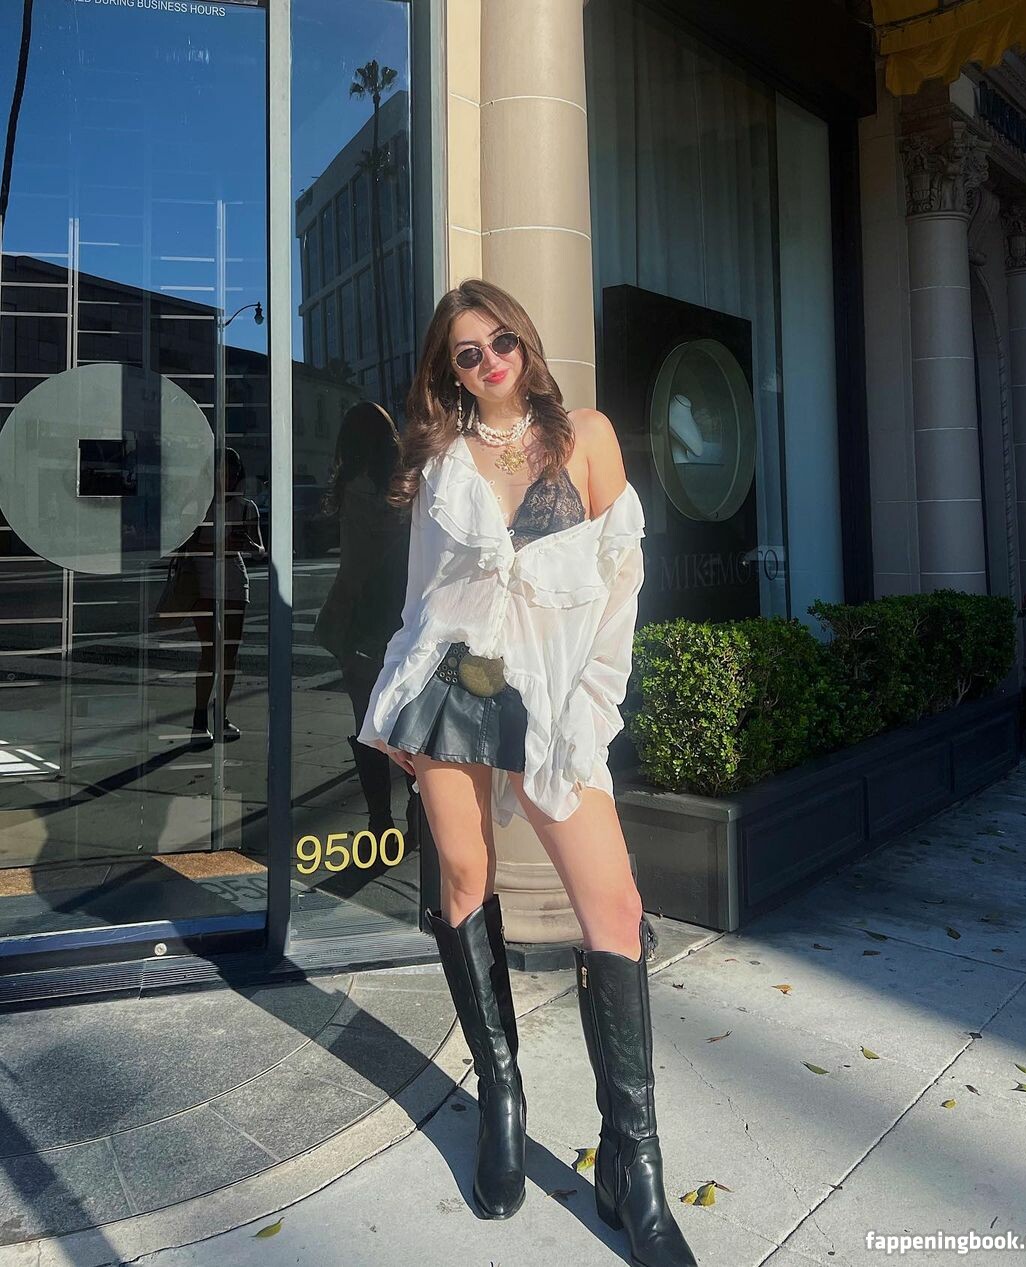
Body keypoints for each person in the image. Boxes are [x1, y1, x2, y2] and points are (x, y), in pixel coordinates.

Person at [357, 279, 697, 1266]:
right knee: (466, 878)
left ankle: (632, 1161)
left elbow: (622, 581)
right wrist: (397, 701)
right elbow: (426, 599)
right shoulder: (443, 461)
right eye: (467, 353)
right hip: (458, 680)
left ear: (525, 341)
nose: (490, 360)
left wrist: (592, 703)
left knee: (614, 906)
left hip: (552, 690)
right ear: (451, 372)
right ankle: (501, 1096)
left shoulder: (587, 436)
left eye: (501, 339)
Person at [315, 400, 416, 842]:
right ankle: (418, 809)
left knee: (367, 723)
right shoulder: (408, 484)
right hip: (406, 613)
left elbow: (354, 568)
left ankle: (380, 821)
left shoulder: (353, 490)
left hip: (364, 620)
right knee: (409, 720)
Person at [184, 447, 263, 743]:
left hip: (234, 581)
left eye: (231, 473)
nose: (226, 479)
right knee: (210, 650)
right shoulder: (198, 505)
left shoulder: (246, 508)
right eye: (220, 473)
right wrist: (221, 546)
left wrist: (248, 545)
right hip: (200, 582)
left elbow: (260, 550)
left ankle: (221, 714)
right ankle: (199, 717)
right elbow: (186, 546)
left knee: (228, 653)